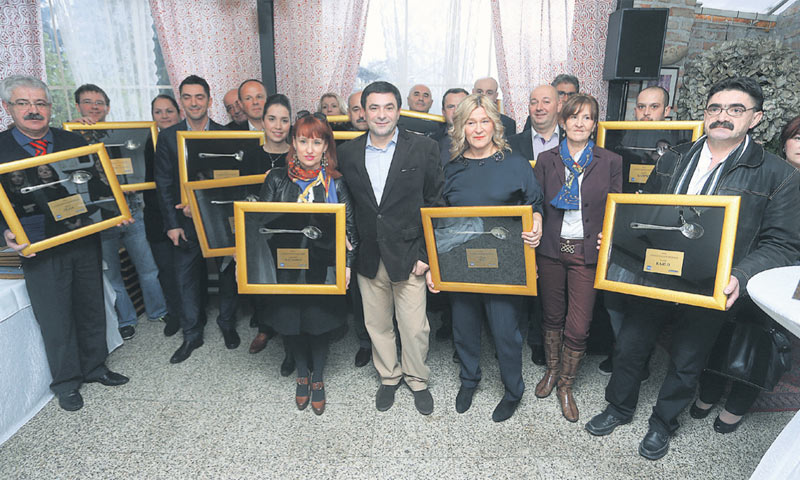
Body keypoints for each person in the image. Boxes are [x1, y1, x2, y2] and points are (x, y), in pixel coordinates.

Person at [585, 77, 800, 461]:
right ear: (704, 114)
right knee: (631, 346)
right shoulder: (673, 157)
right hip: (655, 274)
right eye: (715, 108)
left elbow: (782, 245)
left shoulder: (778, 176)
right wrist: (617, 241)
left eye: (736, 109)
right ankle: (618, 408)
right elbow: (644, 213)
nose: (722, 117)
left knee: (687, 360)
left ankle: (663, 424)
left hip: (712, 284)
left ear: (756, 118)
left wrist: (742, 275)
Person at [0, 75, 129, 411]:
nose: (33, 110)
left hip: (82, 238)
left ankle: (95, 367)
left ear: (50, 107)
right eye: (23, 103)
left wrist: (115, 211)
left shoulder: (72, 142)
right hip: (39, 249)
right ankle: (67, 382)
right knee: (55, 317)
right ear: (7, 107)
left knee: (90, 306)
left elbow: (98, 188)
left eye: (40, 103)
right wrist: (5, 232)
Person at [337, 81, 444, 415]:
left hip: (410, 254)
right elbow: (349, 204)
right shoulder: (349, 152)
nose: (381, 115)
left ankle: (417, 379)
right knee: (377, 324)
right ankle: (388, 377)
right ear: (362, 112)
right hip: (369, 254)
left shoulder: (423, 149)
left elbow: (436, 204)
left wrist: (427, 255)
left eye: (388, 107)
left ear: (399, 110)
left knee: (414, 327)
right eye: (373, 108)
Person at [688, 114, 800, 433]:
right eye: (797, 137)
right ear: (786, 139)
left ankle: (739, 402)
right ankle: (708, 390)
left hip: (789, 276)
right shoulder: (766, 171)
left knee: (764, 338)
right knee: (723, 329)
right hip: (746, 266)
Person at [443, 93, 543, 421]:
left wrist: (537, 224)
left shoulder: (514, 163)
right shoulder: (450, 167)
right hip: (461, 263)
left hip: (506, 264)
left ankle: (513, 389)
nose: (478, 128)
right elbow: (439, 218)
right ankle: (469, 379)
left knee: (505, 332)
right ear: (461, 127)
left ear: (494, 124)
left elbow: (535, 205)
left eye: (484, 121)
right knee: (464, 327)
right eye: (471, 122)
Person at [258, 112, 358, 415]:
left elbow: (350, 232)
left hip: (322, 267)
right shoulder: (276, 179)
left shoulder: (336, 183)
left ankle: (318, 378)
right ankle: (302, 373)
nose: (310, 149)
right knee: (291, 321)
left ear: (326, 146)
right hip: (285, 266)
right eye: (303, 141)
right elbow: (260, 225)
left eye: (317, 141)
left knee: (318, 321)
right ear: (294, 143)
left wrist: (348, 264)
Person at [533, 94, 622, 423]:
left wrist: (609, 234)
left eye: (587, 117)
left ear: (595, 124)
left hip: (587, 253)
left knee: (579, 325)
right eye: (574, 117)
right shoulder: (546, 159)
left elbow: (617, 207)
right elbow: (536, 204)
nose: (580, 123)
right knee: (551, 316)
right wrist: (536, 221)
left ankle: (566, 385)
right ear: (563, 122)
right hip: (552, 251)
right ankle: (553, 372)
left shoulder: (610, 161)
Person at [73, 84, 168, 340]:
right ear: (78, 106)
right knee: (112, 273)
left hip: (132, 208)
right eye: (88, 102)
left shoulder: (120, 135)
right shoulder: (70, 137)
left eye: (99, 102)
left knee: (147, 267)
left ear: (108, 107)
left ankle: (158, 311)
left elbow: (136, 168)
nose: (94, 107)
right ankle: (126, 320)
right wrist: (76, 130)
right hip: (99, 215)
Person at [599, 85, 673, 376]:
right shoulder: (620, 140)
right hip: (619, 228)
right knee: (613, 298)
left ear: (667, 112)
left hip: (656, 234)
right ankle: (622, 353)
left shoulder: (679, 150)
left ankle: (637, 360)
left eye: (653, 107)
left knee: (645, 305)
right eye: (641, 107)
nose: (646, 113)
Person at [154, 74, 229, 363]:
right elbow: (163, 183)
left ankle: (227, 324)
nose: (194, 102)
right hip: (183, 223)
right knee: (185, 278)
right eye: (188, 97)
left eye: (200, 97)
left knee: (226, 276)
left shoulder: (226, 134)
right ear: (181, 102)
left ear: (209, 101)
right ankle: (192, 335)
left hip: (220, 220)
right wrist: (171, 223)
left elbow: (232, 181)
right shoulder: (168, 137)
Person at [508, 84, 562, 366]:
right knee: (518, 286)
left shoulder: (573, 140)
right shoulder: (511, 143)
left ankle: (540, 341)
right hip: (519, 226)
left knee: (549, 288)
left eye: (545, 101)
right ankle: (509, 341)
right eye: (533, 102)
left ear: (558, 106)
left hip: (559, 225)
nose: (539, 107)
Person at [144, 94, 184, 337]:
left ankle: (192, 311)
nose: (164, 116)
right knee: (166, 269)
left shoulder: (183, 138)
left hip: (182, 211)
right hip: (156, 214)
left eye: (169, 110)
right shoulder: (143, 141)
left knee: (186, 268)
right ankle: (174, 314)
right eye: (158, 112)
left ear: (178, 113)